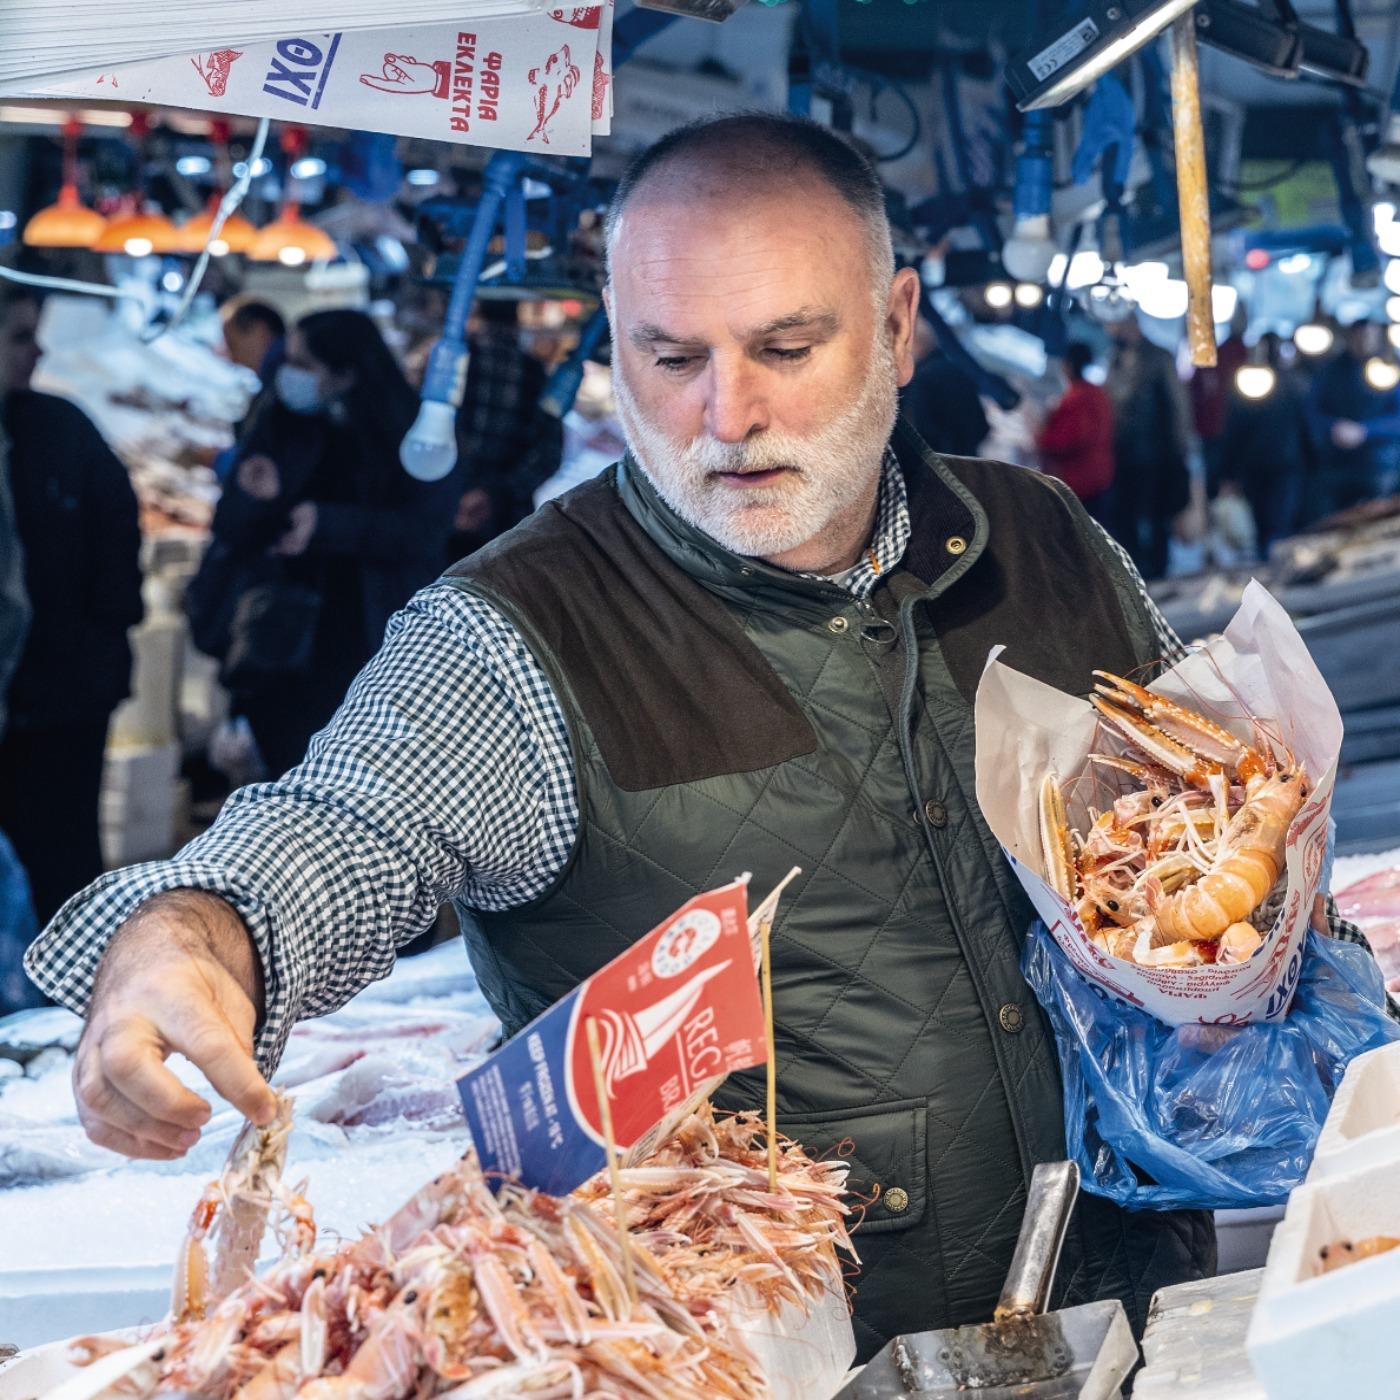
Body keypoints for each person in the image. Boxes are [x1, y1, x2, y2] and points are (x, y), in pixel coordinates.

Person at [27, 114, 1372, 1359]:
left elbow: (1195, 803)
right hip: (779, 1366)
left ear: (897, 328)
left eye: (785, 350)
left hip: (1134, 1324)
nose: (727, 417)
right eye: (670, 360)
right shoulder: (519, 632)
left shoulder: (1040, 537)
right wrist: (191, 938)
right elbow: (337, 827)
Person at [186, 308, 458, 776]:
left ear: (345, 374)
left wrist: (329, 525)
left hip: (365, 635)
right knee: (284, 765)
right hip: (278, 641)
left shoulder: (412, 438)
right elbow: (230, 528)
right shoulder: (277, 419)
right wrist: (256, 498)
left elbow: (425, 533)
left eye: (303, 364)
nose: (288, 373)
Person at [0, 285, 144, 925]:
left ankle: (73, 985)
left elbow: (119, 542)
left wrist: (89, 653)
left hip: (59, 704)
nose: (37, 352)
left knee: (65, 871)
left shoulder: (61, 429)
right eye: (19, 337)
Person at [447, 299, 564, 562]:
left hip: (443, 511)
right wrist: (494, 493)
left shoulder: (451, 364)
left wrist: (458, 491)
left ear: (477, 318)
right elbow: (549, 453)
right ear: (516, 323)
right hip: (505, 522)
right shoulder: (535, 372)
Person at [1106, 313, 1193, 579]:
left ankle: (1157, 568)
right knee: (1126, 515)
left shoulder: (1158, 357)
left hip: (1156, 453)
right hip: (1123, 452)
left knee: (1157, 515)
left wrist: (1180, 448)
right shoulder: (1115, 358)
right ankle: (1134, 567)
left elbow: (1177, 406)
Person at [1220, 332, 1313, 552]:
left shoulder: (1290, 382)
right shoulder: (1293, 382)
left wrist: (1228, 471)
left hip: (1278, 465)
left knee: (1273, 525)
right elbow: (1234, 427)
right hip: (1271, 465)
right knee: (1272, 526)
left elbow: (1233, 429)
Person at [1305, 319, 1400, 524]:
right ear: (1349, 337)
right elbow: (1312, 412)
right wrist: (1334, 427)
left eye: (1369, 335)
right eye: (1359, 335)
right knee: (1330, 524)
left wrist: (1365, 431)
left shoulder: (1391, 368)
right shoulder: (1330, 370)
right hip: (1334, 464)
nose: (1364, 341)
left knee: (1376, 523)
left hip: (1378, 465)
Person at [1035, 341, 1115, 520]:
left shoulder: (1077, 398)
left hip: (1080, 480)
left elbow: (1067, 440)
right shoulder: (1098, 393)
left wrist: (1041, 437)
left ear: (1068, 364)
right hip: (1100, 475)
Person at [213, 298, 288, 482]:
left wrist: (219, 460)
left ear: (259, 331)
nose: (232, 358)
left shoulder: (283, 388)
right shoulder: (270, 384)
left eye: (232, 344)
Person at [899, 316, 989, 457]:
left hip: (938, 461)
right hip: (968, 460)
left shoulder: (922, 380)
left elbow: (921, 429)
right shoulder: (956, 370)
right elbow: (981, 425)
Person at [1190, 303, 1248, 497]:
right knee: (1214, 478)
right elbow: (1196, 391)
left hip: (1235, 430)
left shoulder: (1247, 355)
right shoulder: (1214, 355)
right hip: (1214, 429)